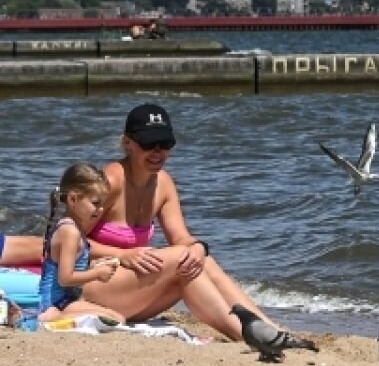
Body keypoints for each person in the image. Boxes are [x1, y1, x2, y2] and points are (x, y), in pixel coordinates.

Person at [82, 103, 277, 341]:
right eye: (148, 144)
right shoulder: (110, 181)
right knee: (179, 258)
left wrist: (198, 247)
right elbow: (63, 240)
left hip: (128, 292)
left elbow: (181, 238)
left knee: (197, 259)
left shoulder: (163, 183)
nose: (157, 152)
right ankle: (249, 335)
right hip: (89, 286)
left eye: (165, 144)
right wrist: (122, 255)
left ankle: (268, 329)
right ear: (128, 143)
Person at [37, 163, 124, 323]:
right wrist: (97, 274)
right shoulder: (70, 231)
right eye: (96, 203)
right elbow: (65, 278)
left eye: (103, 204)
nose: (101, 209)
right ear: (73, 199)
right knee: (117, 319)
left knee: (117, 317)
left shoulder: (74, 227)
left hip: (66, 299)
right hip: (55, 303)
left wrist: (94, 265)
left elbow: (70, 268)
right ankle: (51, 317)